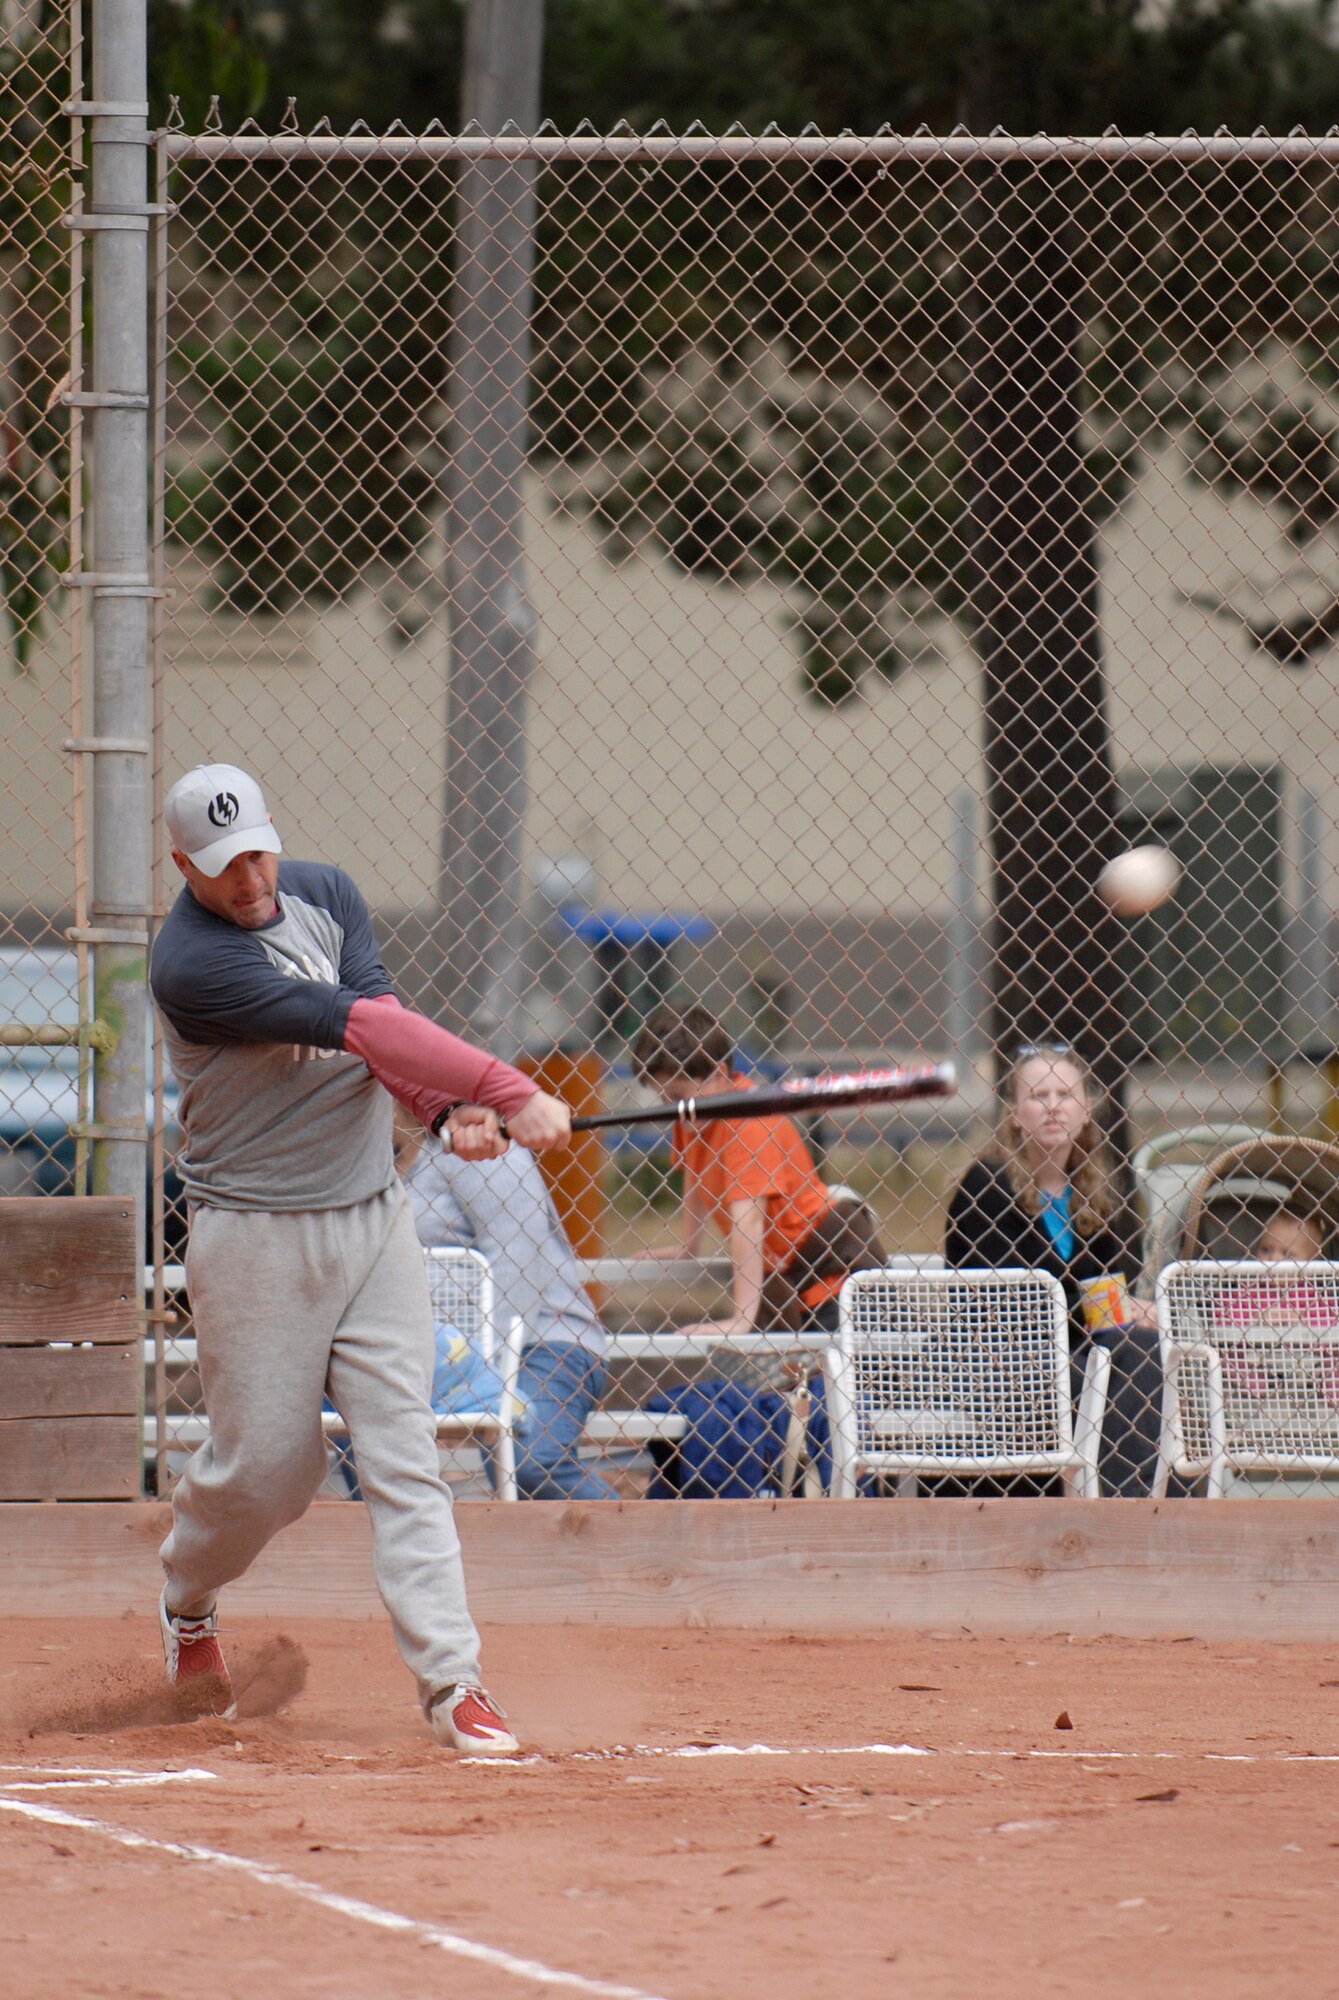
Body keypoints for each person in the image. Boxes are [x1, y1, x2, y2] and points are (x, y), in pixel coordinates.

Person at [149, 761, 571, 1754]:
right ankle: (188, 1593)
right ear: (183, 865)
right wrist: (505, 1089)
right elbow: (358, 1023)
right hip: (255, 1234)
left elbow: (381, 1035)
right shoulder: (191, 961)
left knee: (405, 1454)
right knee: (270, 1477)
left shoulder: (326, 894)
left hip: (372, 1218)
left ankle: (451, 1681)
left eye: (256, 850)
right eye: (220, 864)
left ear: (272, 833)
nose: (247, 877)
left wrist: (444, 1108)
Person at [945, 1042, 1162, 1497]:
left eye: (1065, 1095)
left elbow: (1101, 1296)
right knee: (1131, 1355)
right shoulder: (986, 1186)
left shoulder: (1093, 1195)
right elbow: (1011, 1306)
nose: (1052, 1107)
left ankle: (1138, 1500)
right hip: (1003, 1365)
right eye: (1038, 1095)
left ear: (1086, 1111)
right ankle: (1126, 1503)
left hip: (1079, 1358)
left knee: (1145, 1344)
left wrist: (1124, 1308)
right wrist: (1112, 1306)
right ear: (1013, 1114)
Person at [631, 1002, 884, 1339]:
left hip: (833, 1270)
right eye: (662, 1098)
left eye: (677, 1095)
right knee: (800, 1380)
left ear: (719, 1075)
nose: (673, 1109)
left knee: (848, 1380)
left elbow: (747, 1220)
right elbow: (695, 1174)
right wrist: (689, 1245)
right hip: (787, 1278)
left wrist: (742, 1318)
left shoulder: (746, 1123)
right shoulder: (691, 1117)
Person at [397, 1112, 617, 1500]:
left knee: (528, 1461)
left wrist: (476, 1386)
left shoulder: (478, 1146)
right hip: (432, 1353)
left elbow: (518, 1263)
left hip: (542, 1340)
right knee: (364, 1441)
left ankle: (641, 1544)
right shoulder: (362, 1159)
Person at [1213, 1205, 1339, 1407]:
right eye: (1266, 1250)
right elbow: (1223, 1323)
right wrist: (1257, 1321)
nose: (1273, 1260)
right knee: (1228, 1358)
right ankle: (1258, 1401)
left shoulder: (1313, 1294)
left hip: (1307, 1369)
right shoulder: (1248, 1289)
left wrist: (1301, 1321)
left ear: (1312, 1261)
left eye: (1288, 1255)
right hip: (1257, 1362)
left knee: (1334, 1363)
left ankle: (1330, 1405)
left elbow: (1331, 1326)